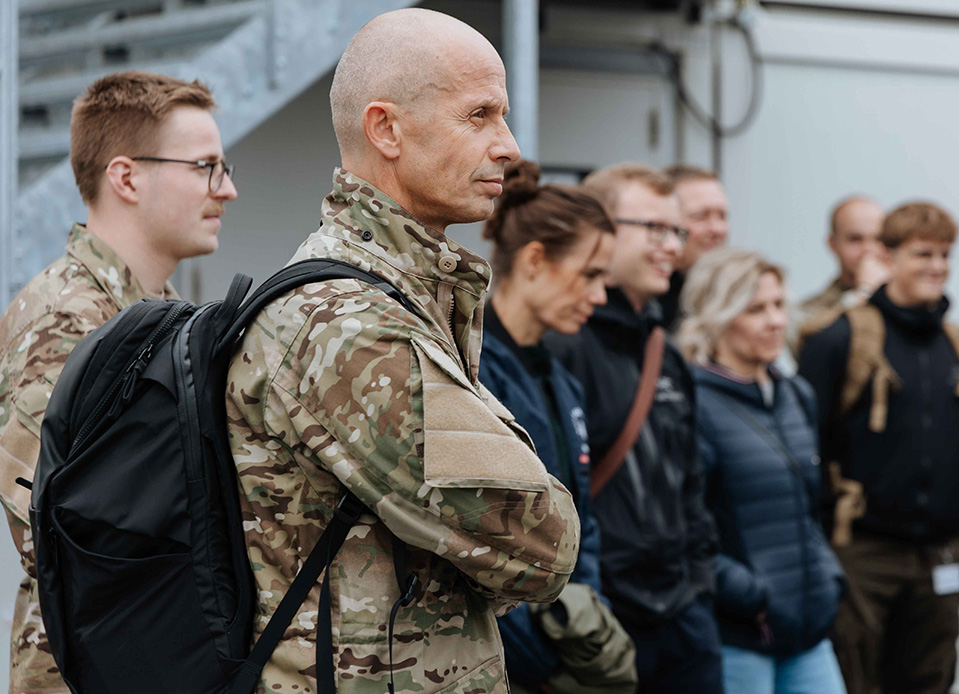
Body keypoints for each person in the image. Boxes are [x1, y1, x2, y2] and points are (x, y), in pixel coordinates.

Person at [225, 9, 579, 693]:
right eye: (478, 116)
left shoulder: (398, 291)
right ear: (386, 128)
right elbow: (545, 542)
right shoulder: (350, 324)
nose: (508, 145)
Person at [0, 70, 236, 694]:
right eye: (206, 167)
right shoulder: (65, 318)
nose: (228, 189)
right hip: (87, 668)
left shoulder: (146, 311)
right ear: (127, 177)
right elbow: (57, 532)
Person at [798, 202, 959, 694]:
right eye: (922, 254)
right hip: (863, 550)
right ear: (888, 255)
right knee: (856, 675)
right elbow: (806, 443)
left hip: (942, 554)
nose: (937, 267)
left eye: (946, 255)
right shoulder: (839, 339)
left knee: (932, 678)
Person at [546, 163, 722, 693]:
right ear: (601, 229)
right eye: (655, 229)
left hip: (684, 617)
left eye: (678, 231)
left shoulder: (662, 348)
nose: (673, 246)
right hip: (604, 620)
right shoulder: (562, 342)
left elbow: (691, 483)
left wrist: (700, 585)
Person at [478, 159, 636, 693]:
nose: (599, 296)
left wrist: (589, 631)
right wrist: (544, 666)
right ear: (536, 260)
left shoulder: (560, 379)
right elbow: (476, 545)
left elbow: (581, 522)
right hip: (510, 661)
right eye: (590, 275)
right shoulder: (470, 373)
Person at [678, 248, 846, 694]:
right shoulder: (692, 402)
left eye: (778, 305)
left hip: (808, 625)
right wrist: (752, 597)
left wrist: (829, 576)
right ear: (717, 317)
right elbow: (686, 525)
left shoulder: (795, 394)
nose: (775, 320)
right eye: (756, 309)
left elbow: (811, 508)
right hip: (740, 635)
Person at [793, 196, 886, 354]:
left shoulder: (912, 298)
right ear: (833, 244)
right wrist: (864, 292)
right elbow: (809, 350)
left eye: (878, 239)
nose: (869, 250)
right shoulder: (809, 311)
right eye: (855, 239)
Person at [660, 165, 730, 327]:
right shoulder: (648, 301)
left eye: (722, 216)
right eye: (701, 217)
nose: (717, 229)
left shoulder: (738, 296)